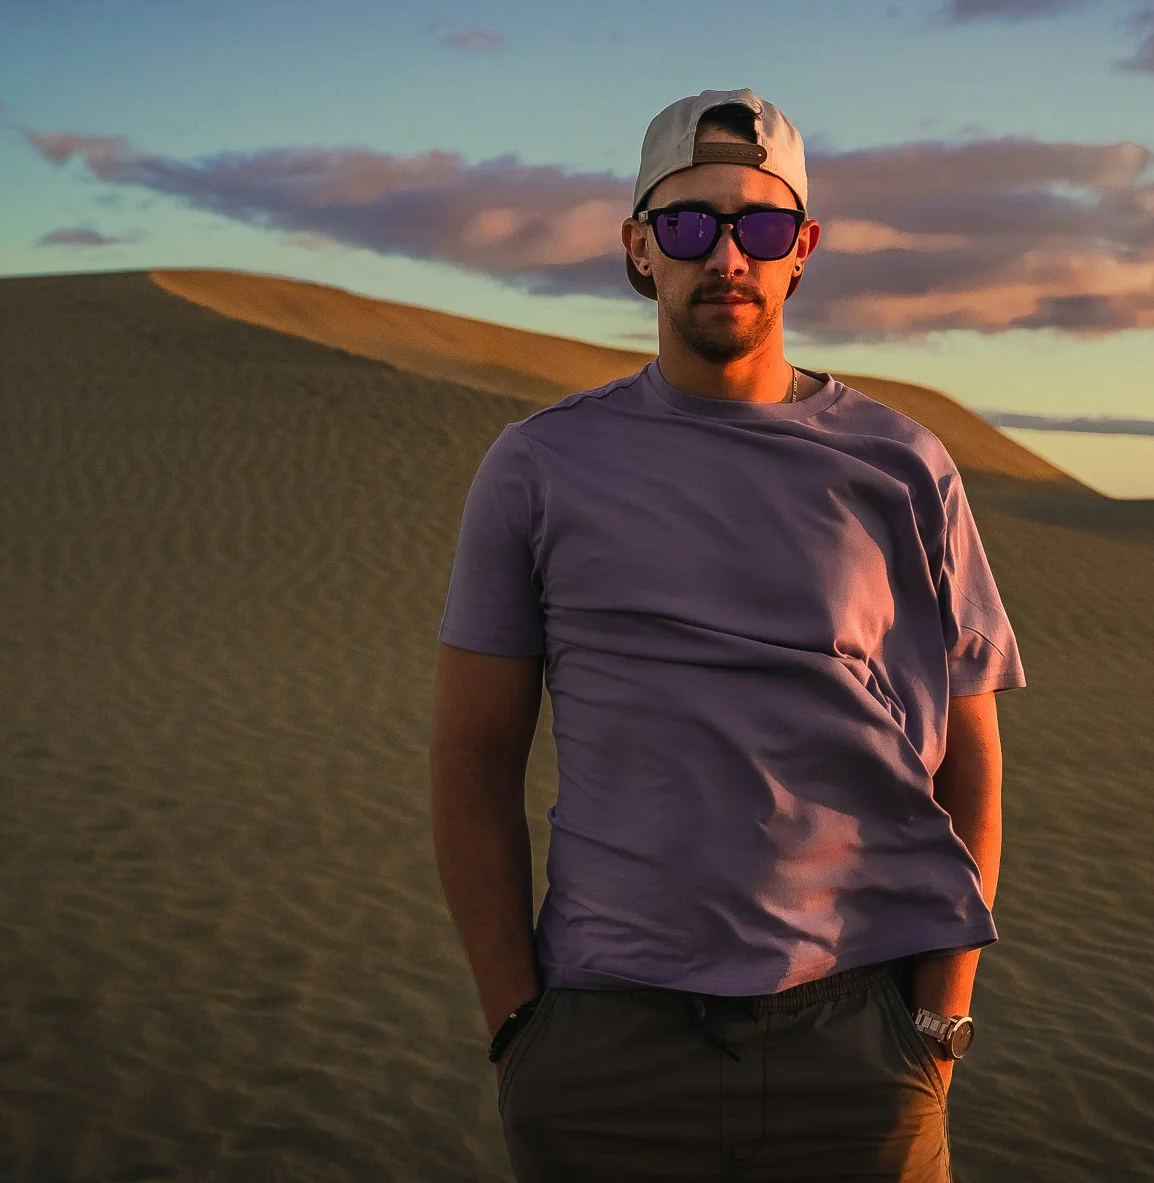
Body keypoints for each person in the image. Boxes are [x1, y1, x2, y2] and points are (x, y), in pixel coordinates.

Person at [429, 88, 1023, 1181]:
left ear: (799, 251)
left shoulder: (902, 465)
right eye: (689, 225)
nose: (726, 258)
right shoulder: (539, 466)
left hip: (856, 1040)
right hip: (608, 1046)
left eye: (756, 228)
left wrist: (938, 1025)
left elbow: (970, 754)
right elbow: (472, 757)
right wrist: (519, 1028)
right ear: (638, 249)